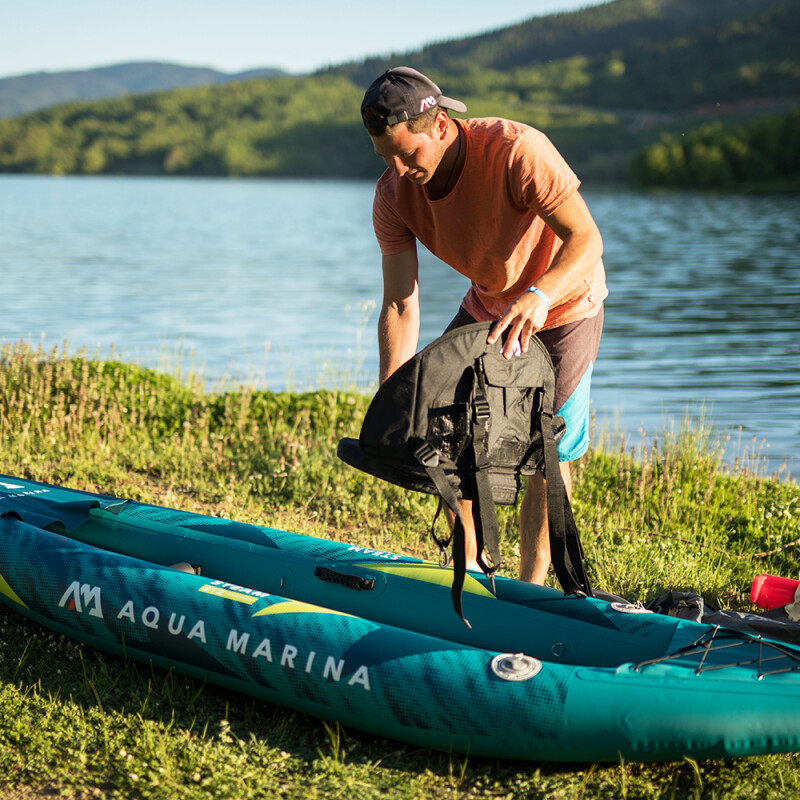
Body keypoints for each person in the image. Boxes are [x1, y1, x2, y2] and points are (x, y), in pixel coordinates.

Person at [361, 67, 607, 584]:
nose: (400, 171)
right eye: (388, 158)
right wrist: (394, 395)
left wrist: (540, 295)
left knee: (544, 447)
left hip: (563, 304)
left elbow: (586, 240)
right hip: (490, 304)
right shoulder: (393, 197)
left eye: (409, 154)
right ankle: (472, 566)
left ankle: (531, 587)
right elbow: (401, 304)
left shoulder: (517, 151)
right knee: (437, 429)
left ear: (443, 126)